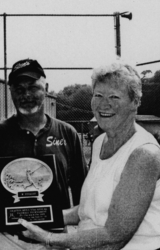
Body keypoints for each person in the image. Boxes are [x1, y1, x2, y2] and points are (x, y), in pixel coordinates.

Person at [18, 62, 160, 250]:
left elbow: (113, 237)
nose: (104, 104)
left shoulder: (144, 154)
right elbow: (89, 209)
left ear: (135, 103)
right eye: (98, 95)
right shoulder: (100, 142)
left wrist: (48, 237)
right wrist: (38, 216)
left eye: (114, 96)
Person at [0, 58, 87, 249]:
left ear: (45, 88)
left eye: (33, 87)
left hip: (54, 239)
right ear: (11, 92)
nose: (26, 95)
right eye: (19, 89)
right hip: (10, 239)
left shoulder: (67, 133)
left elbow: (82, 188)